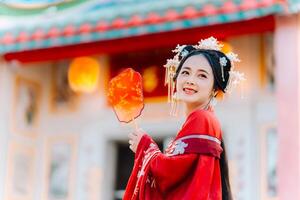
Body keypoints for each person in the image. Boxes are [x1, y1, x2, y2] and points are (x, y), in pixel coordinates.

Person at [123, 37, 245, 200]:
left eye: (202, 76)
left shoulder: (201, 118)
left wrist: (145, 147)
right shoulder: (205, 118)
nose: (190, 80)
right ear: (176, 77)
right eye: (185, 72)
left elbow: (170, 173)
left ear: (214, 88)